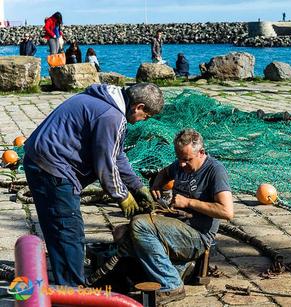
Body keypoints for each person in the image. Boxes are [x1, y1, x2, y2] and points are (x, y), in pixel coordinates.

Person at [23, 83, 164, 286]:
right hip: (54, 168)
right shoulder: (112, 117)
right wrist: (122, 196)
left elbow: (117, 155)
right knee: (68, 230)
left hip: (38, 159)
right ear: (138, 107)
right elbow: (105, 165)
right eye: (146, 116)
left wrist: (137, 186)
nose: (143, 121)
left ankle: (64, 281)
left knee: (56, 227)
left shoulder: (104, 100)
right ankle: (72, 291)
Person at [130, 128, 233, 304]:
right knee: (124, 232)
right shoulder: (179, 165)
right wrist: (156, 184)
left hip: (197, 236)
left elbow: (227, 211)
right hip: (177, 227)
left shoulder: (215, 171)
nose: (182, 165)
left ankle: (170, 285)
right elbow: (165, 172)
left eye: (187, 160)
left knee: (140, 225)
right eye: (179, 159)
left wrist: (188, 203)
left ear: (201, 152)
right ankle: (178, 267)